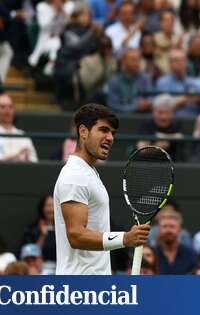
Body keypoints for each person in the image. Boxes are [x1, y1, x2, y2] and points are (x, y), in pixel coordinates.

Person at [53, 103, 150, 275]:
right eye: (103, 130)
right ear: (83, 132)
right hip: (80, 290)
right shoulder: (75, 176)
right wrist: (125, 238)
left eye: (112, 133)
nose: (110, 137)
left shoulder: (88, 173)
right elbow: (76, 235)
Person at [0, 94, 38, 162]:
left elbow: (34, 160)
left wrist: (27, 157)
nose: (7, 110)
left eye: (10, 107)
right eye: (3, 107)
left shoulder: (23, 135)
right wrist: (16, 156)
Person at [156, 49, 200, 118]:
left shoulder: (197, 82)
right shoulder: (162, 82)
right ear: (169, 63)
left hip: (194, 121)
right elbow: (161, 106)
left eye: (182, 60)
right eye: (175, 60)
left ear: (186, 62)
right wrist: (186, 98)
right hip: (171, 123)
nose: (179, 63)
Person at [29, 0, 75, 74]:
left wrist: (62, 11)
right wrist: (55, 15)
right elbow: (43, 26)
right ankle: (50, 66)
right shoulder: (42, 6)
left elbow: (69, 24)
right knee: (55, 43)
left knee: (58, 42)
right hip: (45, 37)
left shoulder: (68, 5)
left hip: (63, 37)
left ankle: (51, 66)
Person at [136, 94, 183, 158]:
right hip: (147, 164)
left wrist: (162, 137)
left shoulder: (176, 124)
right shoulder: (146, 124)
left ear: (173, 113)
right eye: (160, 112)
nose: (164, 117)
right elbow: (142, 149)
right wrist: (158, 147)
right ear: (153, 112)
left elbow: (180, 137)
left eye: (167, 112)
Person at [106, 48, 153, 113]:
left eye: (138, 60)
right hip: (122, 119)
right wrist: (135, 107)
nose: (137, 63)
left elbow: (150, 97)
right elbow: (113, 106)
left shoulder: (144, 78)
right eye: (133, 60)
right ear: (124, 61)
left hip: (142, 117)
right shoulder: (114, 81)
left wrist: (147, 103)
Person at [20, 194, 57, 273]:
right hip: (38, 270)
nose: (51, 209)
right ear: (42, 208)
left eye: (53, 205)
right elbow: (30, 253)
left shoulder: (64, 228)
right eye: (48, 205)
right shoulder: (33, 229)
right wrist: (42, 236)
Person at [154, 210, 198, 274]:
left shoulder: (191, 254)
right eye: (164, 226)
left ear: (179, 230)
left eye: (172, 226)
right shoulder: (151, 254)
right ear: (159, 229)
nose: (168, 230)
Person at [77, 35, 117, 105]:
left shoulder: (115, 62)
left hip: (112, 95)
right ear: (97, 47)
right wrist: (105, 66)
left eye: (109, 46)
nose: (106, 50)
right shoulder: (87, 61)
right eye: (103, 47)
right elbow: (87, 85)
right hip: (92, 95)